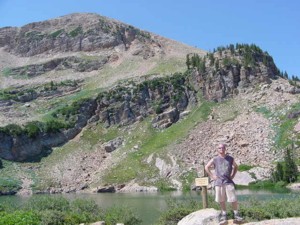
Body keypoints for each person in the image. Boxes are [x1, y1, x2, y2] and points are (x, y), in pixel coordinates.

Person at [205, 143, 243, 222]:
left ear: (225, 149)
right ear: (217, 150)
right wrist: (212, 176)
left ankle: (236, 214)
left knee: (233, 198)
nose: (221, 149)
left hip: (228, 181)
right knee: (221, 200)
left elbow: (236, 167)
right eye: (219, 148)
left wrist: (232, 175)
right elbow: (206, 167)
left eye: (223, 148)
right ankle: (224, 215)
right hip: (219, 182)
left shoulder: (230, 158)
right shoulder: (215, 159)